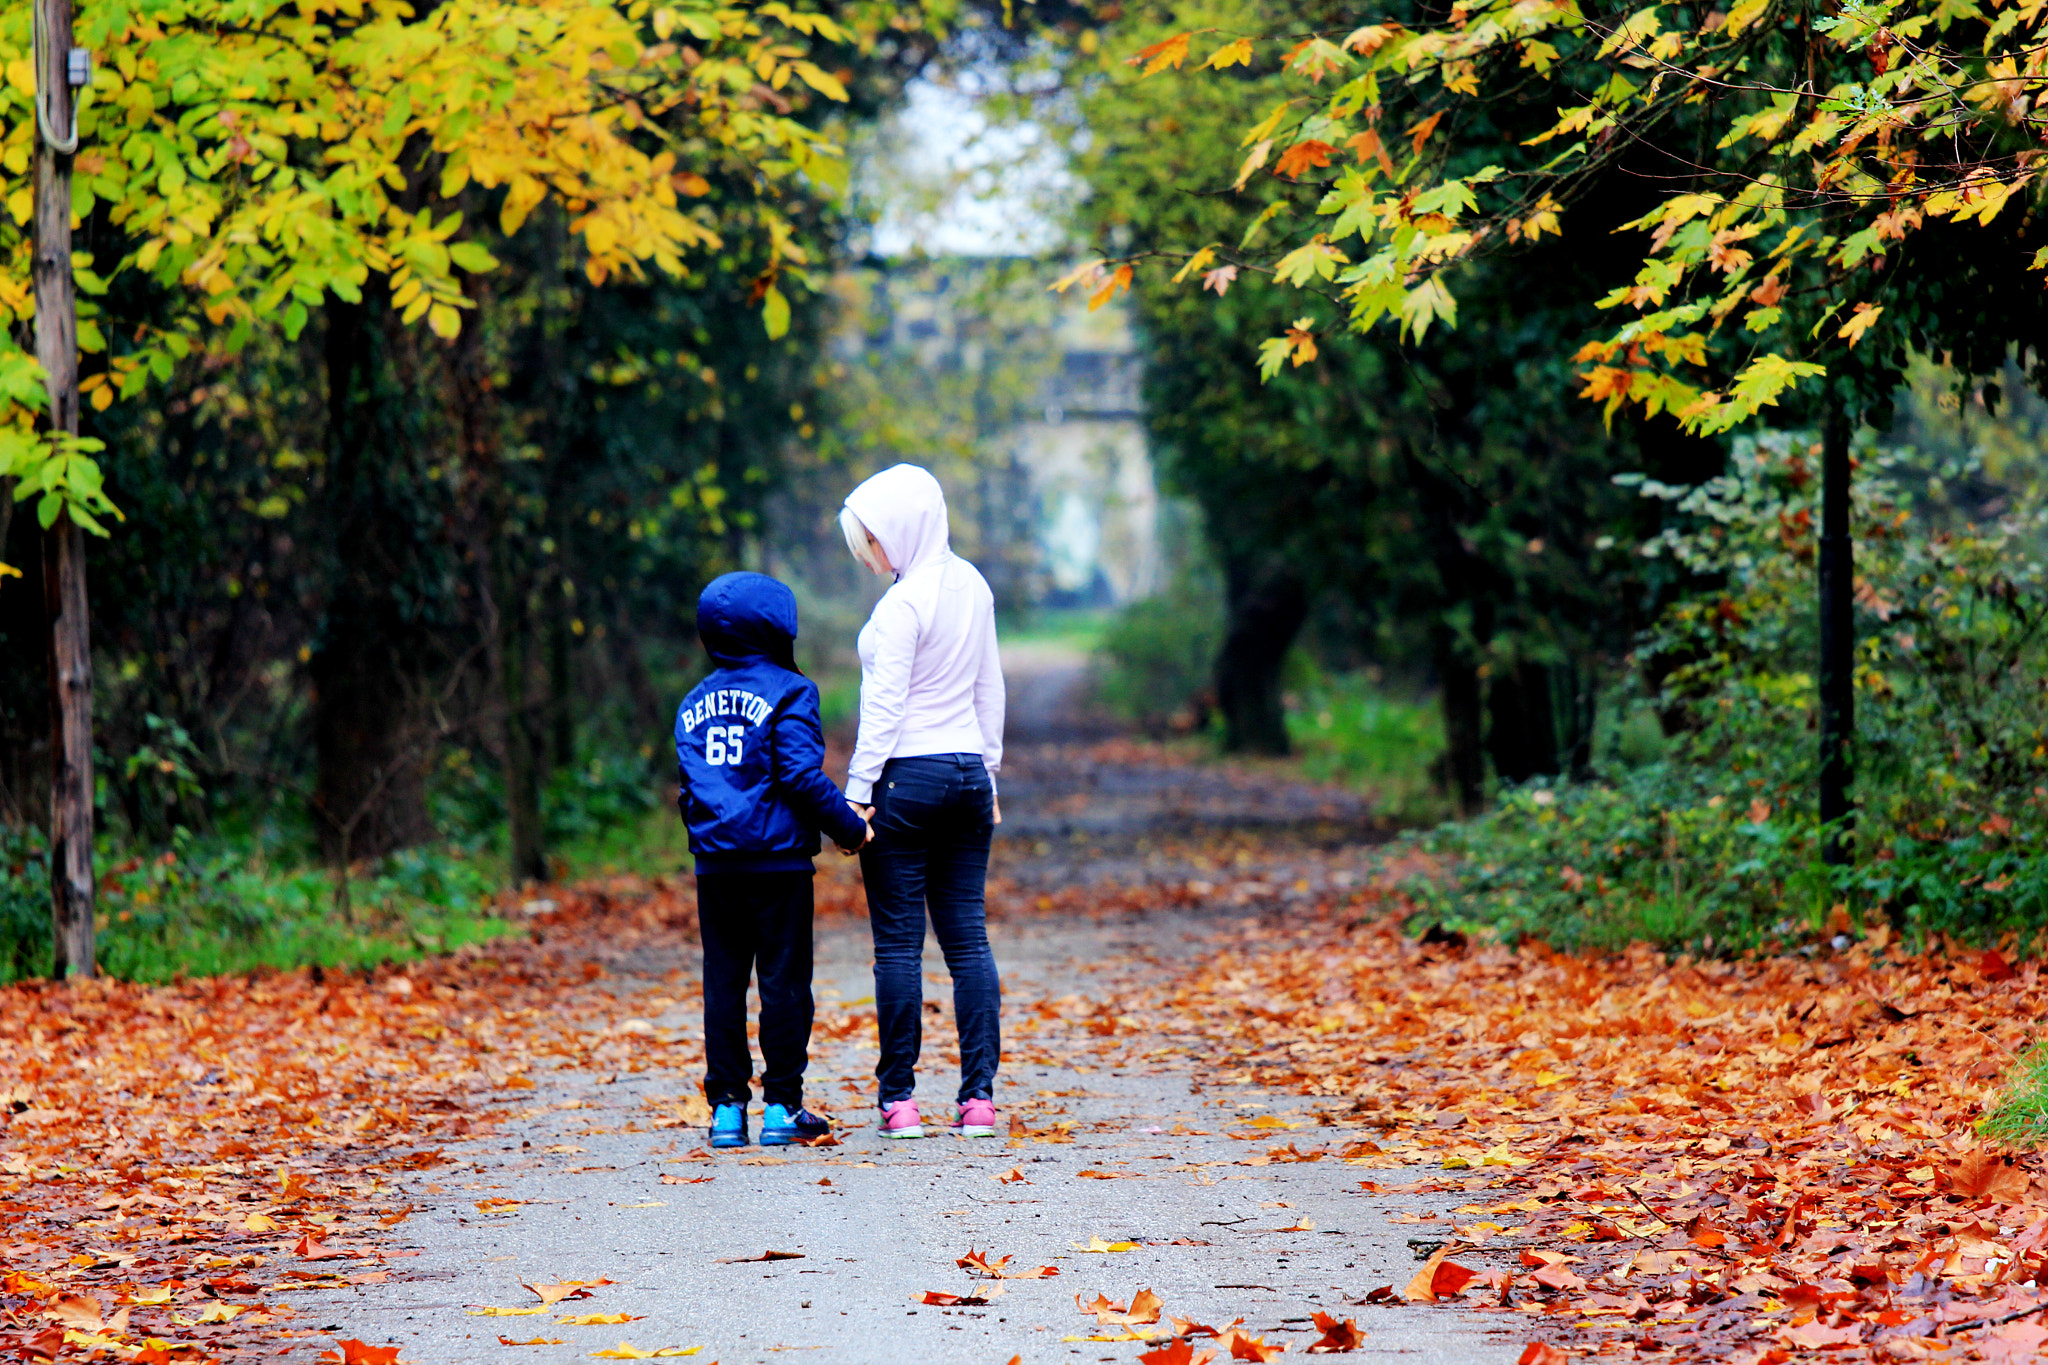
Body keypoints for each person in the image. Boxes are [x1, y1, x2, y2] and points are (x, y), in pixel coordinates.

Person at [674, 571, 871, 1150]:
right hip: (778, 863)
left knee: (724, 982)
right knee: (784, 982)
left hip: (716, 864)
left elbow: (691, 786)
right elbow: (801, 777)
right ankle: (783, 1106)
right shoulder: (789, 690)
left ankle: (727, 1112)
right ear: (779, 627)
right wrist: (852, 828)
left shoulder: (693, 701)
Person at [838, 463, 1006, 1140]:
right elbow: (990, 687)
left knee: (900, 946)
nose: (871, 557)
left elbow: (884, 708)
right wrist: (988, 774)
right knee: (968, 938)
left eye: (873, 542)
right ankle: (979, 1101)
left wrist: (855, 796)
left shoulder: (904, 605)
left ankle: (899, 1101)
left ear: (903, 529)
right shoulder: (974, 585)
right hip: (967, 774)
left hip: (905, 778)